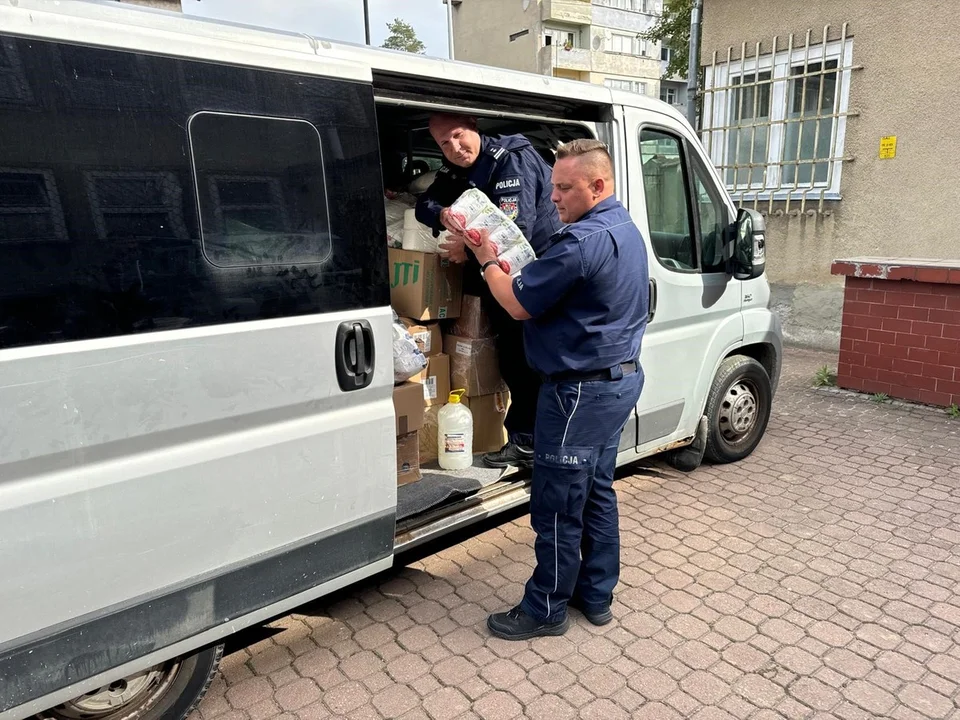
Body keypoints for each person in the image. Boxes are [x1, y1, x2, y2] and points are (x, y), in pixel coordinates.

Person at [464, 138, 649, 640]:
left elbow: (518, 304)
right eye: (552, 188)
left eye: (565, 189)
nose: (554, 200)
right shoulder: (624, 227)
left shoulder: (580, 242)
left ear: (598, 184)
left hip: (577, 395)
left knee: (557, 505)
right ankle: (595, 596)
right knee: (596, 495)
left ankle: (545, 609)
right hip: (616, 384)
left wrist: (485, 257)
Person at [415, 113, 563, 469]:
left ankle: (536, 444)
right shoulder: (458, 170)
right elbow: (424, 204)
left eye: (458, 135)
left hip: (535, 276)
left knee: (530, 363)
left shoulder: (510, 160)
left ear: (475, 127)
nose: (454, 148)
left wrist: (463, 251)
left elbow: (515, 228)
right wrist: (445, 214)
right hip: (501, 278)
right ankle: (530, 441)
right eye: (443, 143)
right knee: (515, 361)